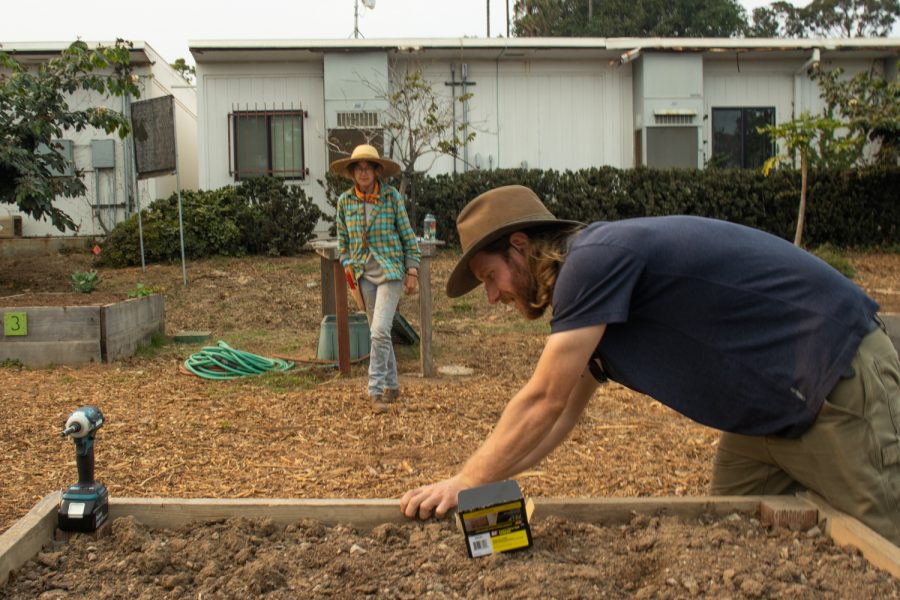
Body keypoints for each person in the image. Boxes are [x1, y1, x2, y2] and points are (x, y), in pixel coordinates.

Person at [400, 184, 900, 546]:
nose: (490, 297)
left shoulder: (592, 262)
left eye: (490, 277)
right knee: (720, 544)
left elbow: (543, 399)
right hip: (763, 412)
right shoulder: (592, 294)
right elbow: (560, 417)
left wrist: (467, 479)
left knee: (879, 554)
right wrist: (482, 486)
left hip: (833, 378)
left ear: (521, 247)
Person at [331, 144, 421, 414]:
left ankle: (375, 390)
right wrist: (349, 274)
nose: (363, 173)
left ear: (376, 170)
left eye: (368, 168)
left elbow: (407, 235)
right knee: (378, 332)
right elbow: (342, 243)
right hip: (362, 274)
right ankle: (393, 385)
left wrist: (412, 270)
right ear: (352, 173)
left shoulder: (391, 197)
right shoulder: (345, 202)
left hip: (391, 271)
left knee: (380, 330)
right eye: (358, 168)